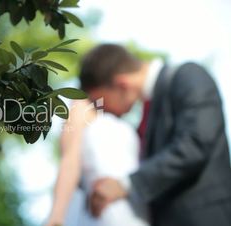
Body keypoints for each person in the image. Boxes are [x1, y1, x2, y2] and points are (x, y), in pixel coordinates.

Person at [86, 44, 231, 226]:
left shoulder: (189, 76)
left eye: (101, 101)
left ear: (121, 84)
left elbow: (196, 144)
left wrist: (126, 184)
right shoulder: (149, 107)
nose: (104, 110)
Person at [45, 45, 150, 226]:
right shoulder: (82, 106)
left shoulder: (123, 121)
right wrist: (56, 218)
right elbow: (70, 161)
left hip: (136, 207)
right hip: (105, 213)